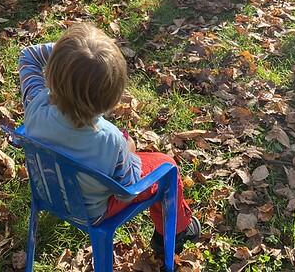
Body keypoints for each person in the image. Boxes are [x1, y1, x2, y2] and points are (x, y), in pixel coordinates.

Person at [18, 23, 200, 265]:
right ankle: (175, 232)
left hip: (46, 191)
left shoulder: (35, 102)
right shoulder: (110, 140)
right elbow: (127, 188)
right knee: (167, 166)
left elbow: (28, 55)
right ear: (110, 99)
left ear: (52, 73)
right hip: (92, 212)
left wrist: (68, 57)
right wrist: (130, 150)